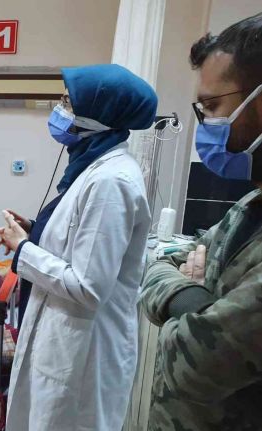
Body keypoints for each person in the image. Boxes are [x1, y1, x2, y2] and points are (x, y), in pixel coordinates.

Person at [0, 64, 156, 430]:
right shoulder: (92, 167)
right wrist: (35, 231)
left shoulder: (111, 181)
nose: (60, 109)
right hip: (64, 341)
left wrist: (23, 250)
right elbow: (79, 238)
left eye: (68, 102)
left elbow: (88, 286)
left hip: (84, 354)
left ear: (99, 113)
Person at [140, 13, 262, 431]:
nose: (205, 124)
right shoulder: (250, 205)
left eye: (211, 107)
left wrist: (182, 293)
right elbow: (161, 262)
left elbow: (191, 362)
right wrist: (196, 299)